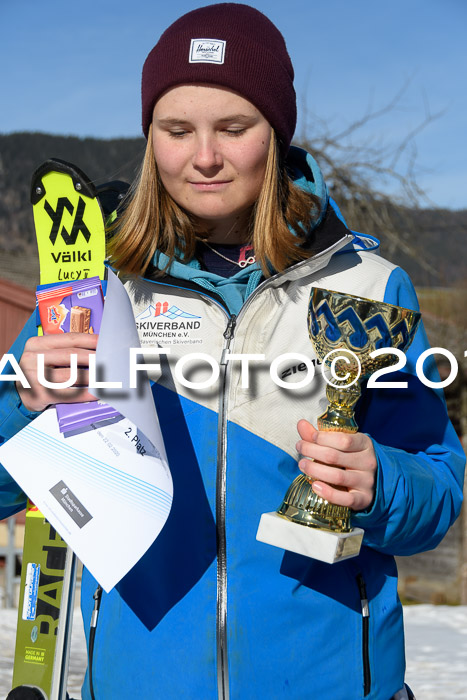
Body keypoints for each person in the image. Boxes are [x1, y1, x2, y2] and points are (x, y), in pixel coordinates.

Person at [0, 4, 465, 699]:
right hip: (141, 681)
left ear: (274, 136)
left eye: (233, 128)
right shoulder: (94, 295)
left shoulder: (368, 287)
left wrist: (380, 485)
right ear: (149, 137)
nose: (204, 156)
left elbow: (437, 488)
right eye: (177, 130)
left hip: (331, 682)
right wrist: (29, 411)